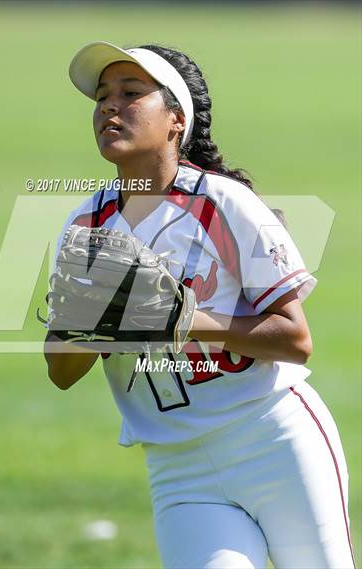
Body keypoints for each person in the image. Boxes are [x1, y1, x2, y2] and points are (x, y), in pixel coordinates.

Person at [43, 41, 355, 569]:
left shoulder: (224, 203)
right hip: (179, 469)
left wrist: (180, 319)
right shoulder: (86, 226)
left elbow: (297, 340)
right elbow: (61, 370)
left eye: (131, 93)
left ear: (175, 121)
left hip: (273, 440)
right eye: (102, 97)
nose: (109, 108)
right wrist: (95, 324)